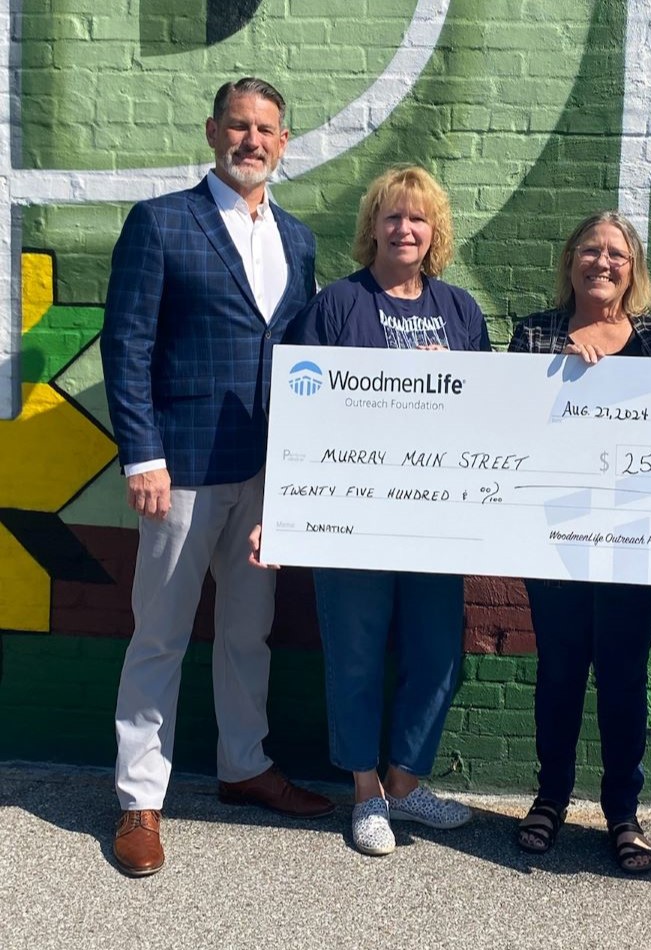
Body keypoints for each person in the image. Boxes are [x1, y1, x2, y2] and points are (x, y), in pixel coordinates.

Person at [100, 77, 334, 878]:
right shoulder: (161, 222)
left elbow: (303, 355)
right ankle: (139, 798)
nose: (251, 141)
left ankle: (244, 766)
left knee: (247, 630)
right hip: (181, 469)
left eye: (266, 129)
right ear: (212, 132)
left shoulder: (298, 239)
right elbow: (125, 345)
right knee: (159, 634)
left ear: (283, 141)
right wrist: (143, 455)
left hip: (265, 474)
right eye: (238, 126)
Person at [259, 164, 490, 856]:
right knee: (355, 656)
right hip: (350, 517)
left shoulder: (459, 312)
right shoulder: (336, 307)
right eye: (393, 216)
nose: (405, 229)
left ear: (434, 230)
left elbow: (487, 412)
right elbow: (296, 412)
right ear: (373, 227)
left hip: (436, 519)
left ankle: (405, 783)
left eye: (418, 218)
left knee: (436, 655)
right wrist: (284, 505)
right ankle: (364, 794)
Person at [507, 211, 651, 871]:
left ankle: (622, 813)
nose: (603, 262)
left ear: (632, 267)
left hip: (632, 543)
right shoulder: (534, 334)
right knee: (558, 674)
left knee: (621, 681)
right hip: (553, 538)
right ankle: (550, 798)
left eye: (616, 253)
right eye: (590, 250)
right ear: (570, 259)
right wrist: (553, 375)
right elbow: (509, 428)